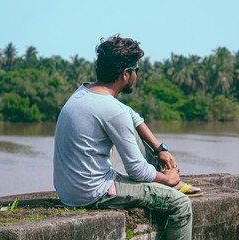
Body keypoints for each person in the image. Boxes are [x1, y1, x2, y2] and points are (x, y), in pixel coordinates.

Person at [54, 35, 201, 239]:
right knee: (181, 204)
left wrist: (160, 149)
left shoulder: (84, 92)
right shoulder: (112, 110)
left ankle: (167, 182)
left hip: (70, 190)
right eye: (136, 70)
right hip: (93, 193)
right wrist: (167, 179)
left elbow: (133, 116)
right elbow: (137, 170)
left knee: (133, 130)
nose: (137, 76)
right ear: (126, 74)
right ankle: (170, 184)